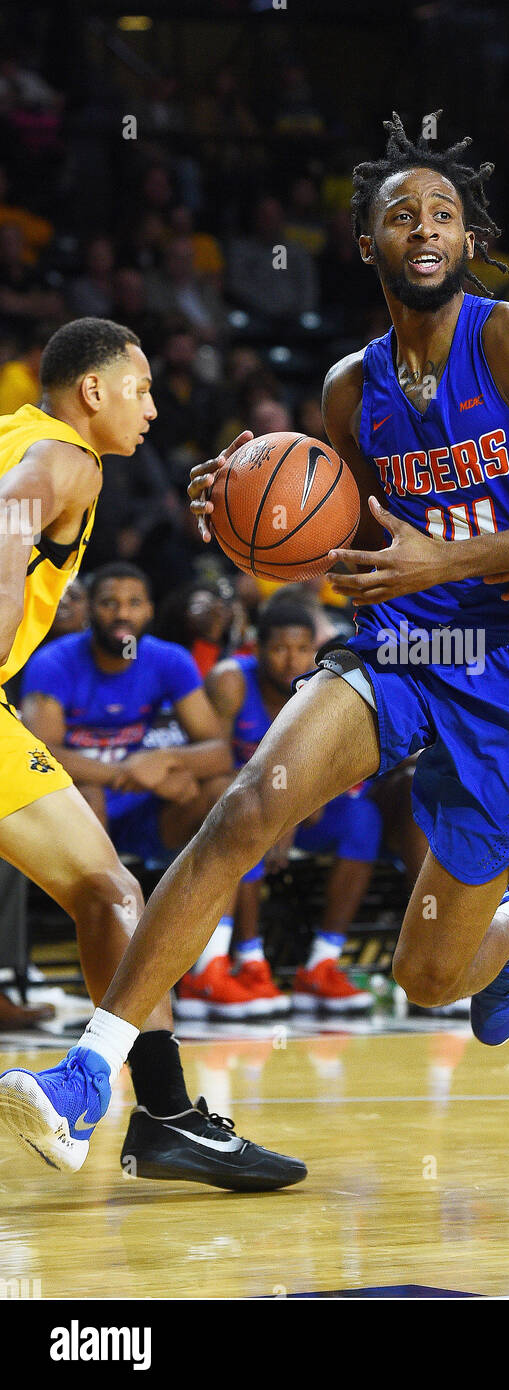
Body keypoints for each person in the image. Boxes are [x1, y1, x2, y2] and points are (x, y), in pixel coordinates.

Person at [0, 113, 509, 1175]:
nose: (422, 227)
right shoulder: (350, 388)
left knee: (433, 976)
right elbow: (337, 545)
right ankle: (89, 1073)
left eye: (441, 213)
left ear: (465, 239)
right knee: (246, 803)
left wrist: (450, 561)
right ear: (366, 245)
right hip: (398, 648)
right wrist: (240, 509)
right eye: (400, 214)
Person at [0, 317, 305, 1189]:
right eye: (140, 389)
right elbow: (14, 510)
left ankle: (164, 1114)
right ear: (92, 391)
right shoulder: (69, 459)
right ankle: (164, 1116)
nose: (155, 405)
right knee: (114, 893)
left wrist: (223, 490)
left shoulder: (18, 433)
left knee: (107, 892)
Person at [189, 593, 376, 1016]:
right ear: (256, 649)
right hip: (234, 804)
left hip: (300, 810)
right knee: (244, 812)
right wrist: (277, 807)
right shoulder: (230, 680)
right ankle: (236, 963)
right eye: (278, 648)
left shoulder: (327, 685)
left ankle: (322, 965)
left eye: (301, 650)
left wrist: (289, 806)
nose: (290, 660)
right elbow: (213, 761)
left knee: (363, 819)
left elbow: (340, 766)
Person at [19, 561, 233, 872]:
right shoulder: (53, 662)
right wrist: (128, 774)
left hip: (144, 810)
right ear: (90, 609)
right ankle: (98, 905)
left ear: (149, 610)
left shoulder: (170, 660)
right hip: (77, 803)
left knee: (218, 788)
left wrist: (164, 759)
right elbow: (41, 755)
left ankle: (206, 916)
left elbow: (219, 752)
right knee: (89, 796)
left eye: (134, 603)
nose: (122, 614)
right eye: (109, 603)